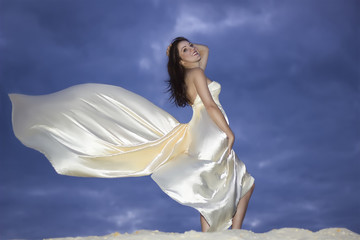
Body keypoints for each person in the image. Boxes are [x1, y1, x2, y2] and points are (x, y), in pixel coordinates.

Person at [9, 37, 254, 232]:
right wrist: (228, 131)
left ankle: (228, 233)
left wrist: (177, 48)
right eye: (186, 50)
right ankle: (235, 232)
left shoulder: (190, 74)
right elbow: (210, 105)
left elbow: (205, 48)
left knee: (218, 186)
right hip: (212, 128)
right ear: (180, 61)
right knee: (240, 183)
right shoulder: (197, 73)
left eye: (190, 46)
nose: (193, 50)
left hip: (204, 129)